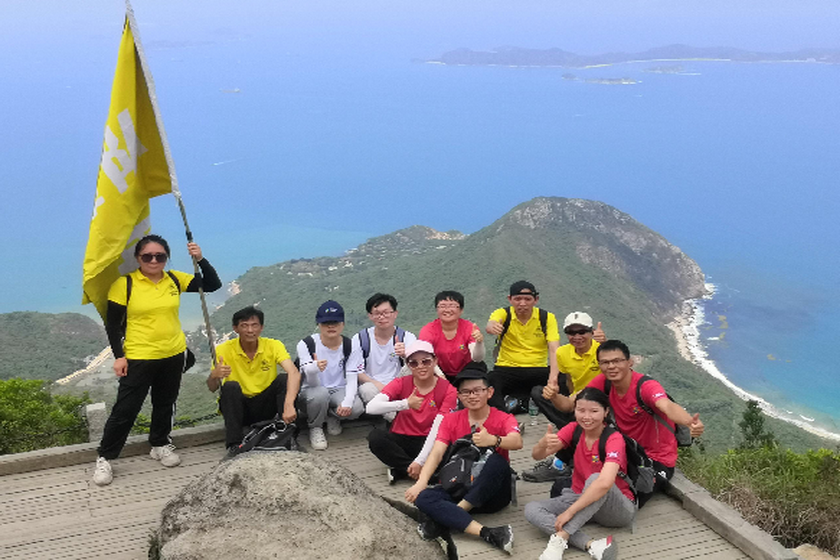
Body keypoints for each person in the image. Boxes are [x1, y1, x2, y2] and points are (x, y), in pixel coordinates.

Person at [93, 234, 221, 486]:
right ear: (138, 258)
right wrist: (119, 357)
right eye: (147, 256)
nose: (153, 260)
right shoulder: (125, 284)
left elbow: (212, 285)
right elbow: (112, 325)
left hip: (173, 353)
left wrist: (200, 259)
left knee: (165, 403)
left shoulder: (174, 279)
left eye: (160, 256)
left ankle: (160, 443)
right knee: (125, 410)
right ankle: (105, 457)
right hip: (139, 357)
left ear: (166, 258)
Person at [549, 340, 705, 503]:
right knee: (583, 423)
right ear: (599, 365)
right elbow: (569, 405)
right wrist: (554, 396)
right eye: (605, 362)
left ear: (630, 362)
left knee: (629, 496)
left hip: (656, 460)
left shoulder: (645, 386)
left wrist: (689, 422)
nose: (611, 366)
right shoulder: (603, 382)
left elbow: (666, 405)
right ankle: (563, 465)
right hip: (624, 451)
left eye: (617, 361)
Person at [405, 366, 522, 554]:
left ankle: (448, 518)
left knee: (498, 462)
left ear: (489, 392)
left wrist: (494, 440)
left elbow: (517, 441)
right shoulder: (450, 420)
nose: (472, 396)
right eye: (466, 392)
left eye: (477, 390)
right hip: (460, 484)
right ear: (459, 396)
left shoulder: (503, 418)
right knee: (423, 497)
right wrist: (421, 482)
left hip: (492, 492)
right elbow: (436, 452)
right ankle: (488, 533)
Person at [524, 388, 634, 560]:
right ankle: (591, 544)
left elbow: (604, 484)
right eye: (581, 410)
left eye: (594, 411)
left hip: (616, 509)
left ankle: (560, 539)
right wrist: (542, 443)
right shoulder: (574, 429)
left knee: (596, 479)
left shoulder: (614, 439)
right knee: (532, 509)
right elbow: (538, 456)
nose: (586, 417)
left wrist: (570, 512)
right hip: (580, 497)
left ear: (606, 412)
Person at [522, 312, 607, 482]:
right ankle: (571, 429)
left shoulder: (601, 350)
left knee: (579, 415)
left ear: (591, 332)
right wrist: (554, 392)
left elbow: (621, 363)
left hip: (600, 401)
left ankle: (560, 463)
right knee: (539, 392)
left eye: (582, 331)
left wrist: (605, 343)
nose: (577, 336)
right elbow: (567, 379)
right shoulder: (563, 352)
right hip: (577, 397)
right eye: (571, 332)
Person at [207, 306, 301, 450]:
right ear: (235, 329)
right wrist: (214, 375)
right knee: (230, 386)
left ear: (261, 327)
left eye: (254, 325)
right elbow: (212, 388)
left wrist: (289, 405)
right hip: (240, 408)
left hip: (266, 405)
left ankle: (289, 436)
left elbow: (294, 372)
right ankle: (234, 444)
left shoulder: (273, 345)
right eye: (244, 326)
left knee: (283, 379)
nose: (250, 330)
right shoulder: (223, 350)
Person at [366, 340, 457, 483]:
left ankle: (402, 470)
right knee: (376, 437)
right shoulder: (401, 383)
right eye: (414, 363)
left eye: (426, 361)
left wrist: (419, 461)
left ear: (435, 361)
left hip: (431, 439)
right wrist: (405, 404)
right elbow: (371, 407)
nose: (421, 366)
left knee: (452, 445)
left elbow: (438, 428)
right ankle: (421, 472)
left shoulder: (448, 390)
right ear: (408, 366)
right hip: (403, 438)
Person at [297, 300, 365, 450]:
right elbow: (311, 381)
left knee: (356, 408)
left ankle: (332, 416)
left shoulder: (350, 345)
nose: (331, 326)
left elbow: (352, 377)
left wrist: (347, 402)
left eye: (335, 322)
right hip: (312, 390)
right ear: (318, 324)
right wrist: (314, 369)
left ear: (343, 324)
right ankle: (315, 427)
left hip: (338, 388)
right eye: (326, 323)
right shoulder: (307, 344)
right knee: (320, 394)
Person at [485, 280, 560, 412]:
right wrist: (492, 327)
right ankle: (502, 416)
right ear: (510, 299)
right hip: (507, 368)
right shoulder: (504, 314)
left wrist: (552, 380)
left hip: (538, 368)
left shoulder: (546, 318)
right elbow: (491, 323)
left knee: (564, 379)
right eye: (518, 299)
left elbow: (554, 349)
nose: (523, 303)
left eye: (527, 299)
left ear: (536, 300)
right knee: (489, 381)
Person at [355, 293, 418, 421]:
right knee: (366, 390)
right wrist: (376, 384)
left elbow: (418, 365)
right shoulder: (361, 339)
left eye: (386, 312)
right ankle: (395, 419)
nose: (382, 317)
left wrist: (405, 355)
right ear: (370, 316)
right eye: (377, 313)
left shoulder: (407, 337)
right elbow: (357, 371)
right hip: (373, 385)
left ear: (395, 313)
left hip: (400, 383)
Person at [418, 290, 485, 380]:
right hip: (437, 371)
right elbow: (425, 357)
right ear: (437, 309)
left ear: (461, 310)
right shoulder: (428, 330)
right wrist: (441, 376)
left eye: (452, 306)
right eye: (442, 306)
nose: (447, 310)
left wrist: (479, 343)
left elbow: (477, 359)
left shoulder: (469, 328)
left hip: (466, 371)